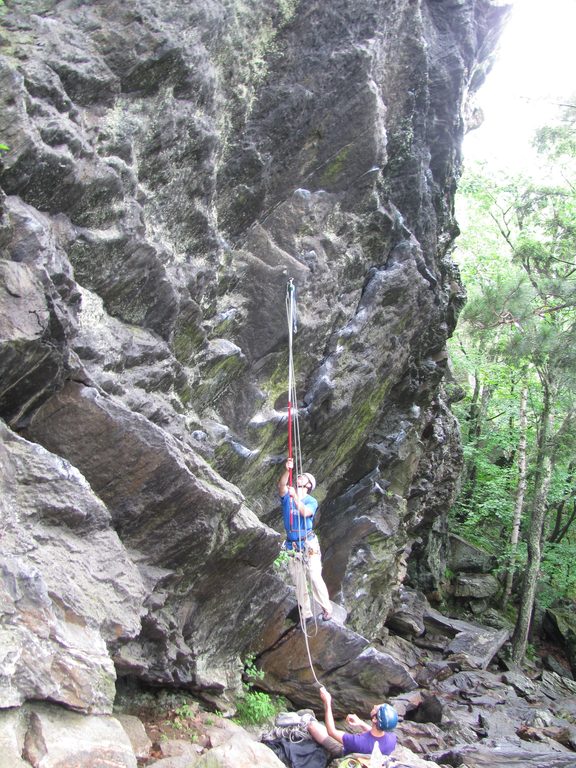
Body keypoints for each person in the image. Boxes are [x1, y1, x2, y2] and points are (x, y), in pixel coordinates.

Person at [278, 457, 332, 621]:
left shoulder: (311, 501)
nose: (299, 476)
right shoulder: (287, 495)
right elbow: (281, 486)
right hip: (292, 544)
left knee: (314, 575)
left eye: (304, 477)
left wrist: (295, 498)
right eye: (299, 475)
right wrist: (288, 470)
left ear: (309, 485)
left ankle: (326, 608)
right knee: (298, 579)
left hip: (308, 542)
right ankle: (306, 613)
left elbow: (305, 513)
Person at [307, 686, 398, 758]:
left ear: (374, 719)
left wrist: (327, 702)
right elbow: (376, 733)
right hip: (369, 756)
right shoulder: (392, 739)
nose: (374, 706)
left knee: (313, 726)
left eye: (376, 708)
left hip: (347, 752)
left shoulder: (357, 741)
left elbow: (331, 731)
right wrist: (360, 723)